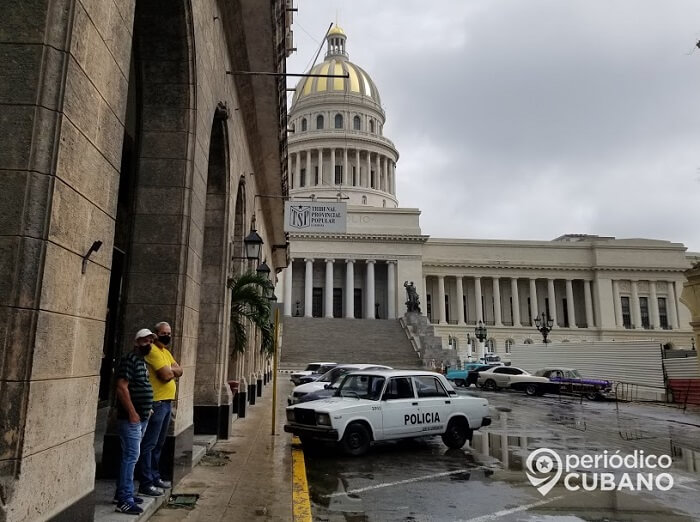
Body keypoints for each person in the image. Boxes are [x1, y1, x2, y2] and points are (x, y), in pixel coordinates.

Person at [137, 321, 183, 496]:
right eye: (164, 333)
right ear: (156, 334)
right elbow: (165, 375)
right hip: (156, 403)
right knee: (149, 444)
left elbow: (180, 370)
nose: (167, 336)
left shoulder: (166, 352)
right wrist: (171, 371)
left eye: (169, 333)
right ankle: (146, 482)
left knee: (159, 444)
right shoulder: (153, 351)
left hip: (167, 402)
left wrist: (172, 370)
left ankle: (155, 476)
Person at [114, 329, 156, 515]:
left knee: (132, 455)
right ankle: (124, 499)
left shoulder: (142, 362)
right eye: (146, 341)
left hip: (143, 416)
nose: (149, 344)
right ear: (137, 342)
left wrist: (147, 408)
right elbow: (122, 387)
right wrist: (132, 411)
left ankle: (123, 492)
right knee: (131, 456)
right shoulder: (129, 359)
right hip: (131, 418)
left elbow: (142, 386)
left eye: (151, 341)